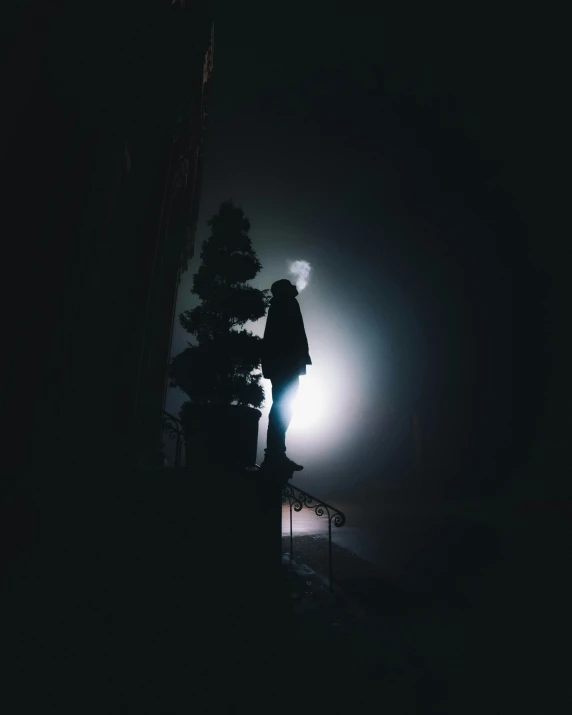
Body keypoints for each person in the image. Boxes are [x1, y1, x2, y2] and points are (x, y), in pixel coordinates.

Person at [261, 279, 312, 471]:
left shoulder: (280, 305)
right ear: (284, 290)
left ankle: (276, 453)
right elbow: (291, 336)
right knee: (282, 408)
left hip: (282, 365)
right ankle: (275, 454)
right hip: (285, 365)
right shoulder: (286, 304)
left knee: (282, 408)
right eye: (290, 285)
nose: (294, 286)